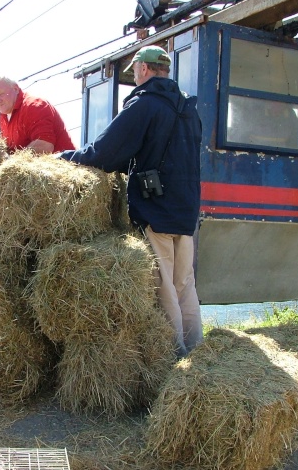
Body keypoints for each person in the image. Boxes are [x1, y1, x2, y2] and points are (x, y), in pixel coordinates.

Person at [58, 45, 203, 358]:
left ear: (145, 69)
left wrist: (66, 157)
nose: (134, 75)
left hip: (158, 209)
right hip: (187, 209)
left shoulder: (145, 104)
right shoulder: (188, 109)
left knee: (163, 285)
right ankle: (198, 351)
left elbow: (105, 152)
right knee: (184, 284)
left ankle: (174, 357)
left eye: (135, 69)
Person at [0, 77, 75, 154]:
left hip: (62, 165)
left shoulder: (34, 106)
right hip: (34, 170)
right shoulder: (3, 117)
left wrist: (12, 162)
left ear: (16, 89)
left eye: (1, 94)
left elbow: (45, 146)